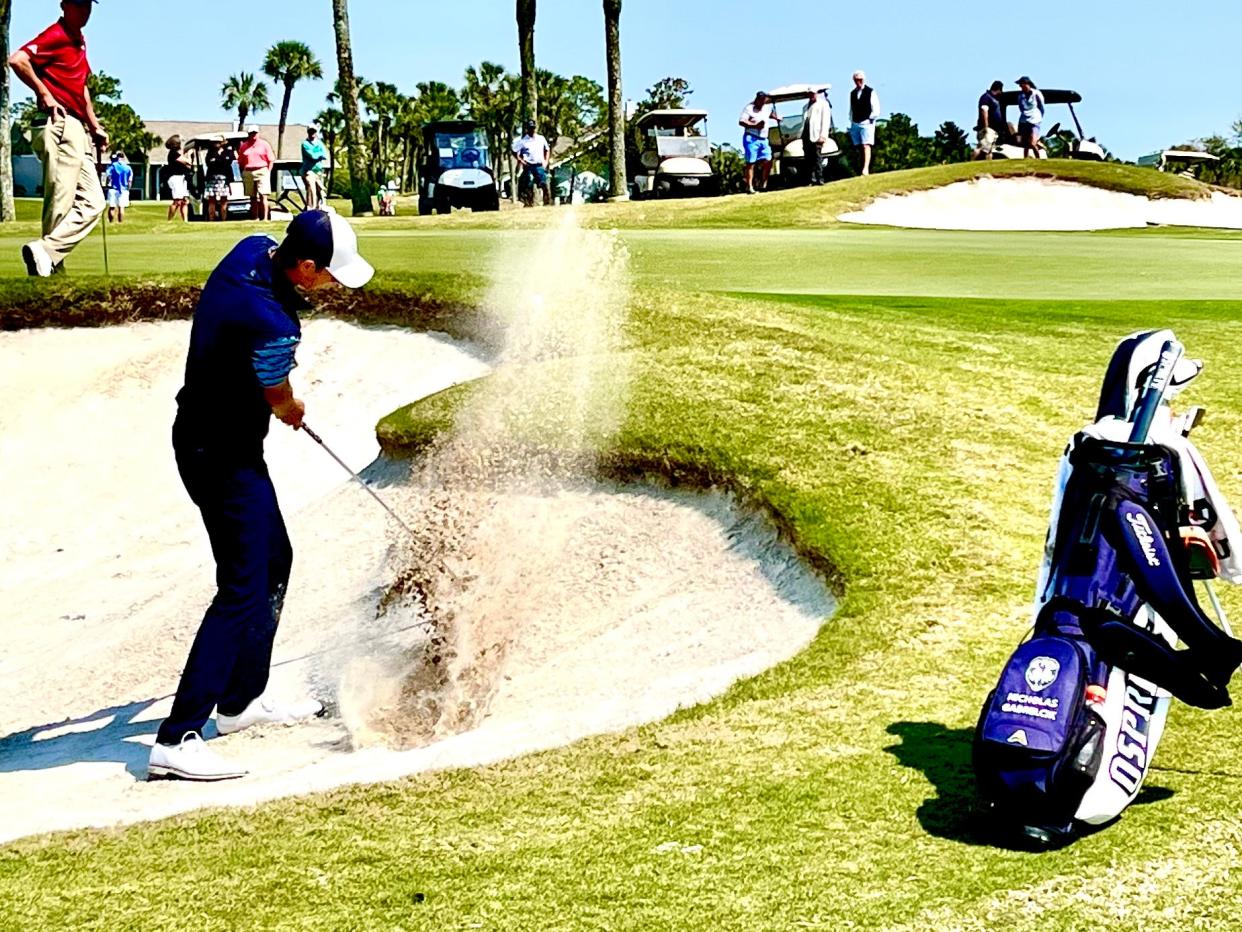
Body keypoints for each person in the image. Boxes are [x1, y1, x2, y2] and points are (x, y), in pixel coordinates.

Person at [148, 210, 376, 782]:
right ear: (304, 267)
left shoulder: (251, 248)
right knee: (243, 588)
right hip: (218, 455)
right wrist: (291, 408)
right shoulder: (274, 323)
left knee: (276, 559)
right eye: (328, 275)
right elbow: (277, 393)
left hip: (215, 442)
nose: (331, 285)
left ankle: (241, 702)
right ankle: (177, 738)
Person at [9, 0, 108, 277]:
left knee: (94, 202)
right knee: (61, 201)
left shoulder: (78, 40)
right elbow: (18, 60)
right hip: (61, 124)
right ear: (64, 5)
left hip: (78, 127)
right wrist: (44, 93)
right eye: (78, 4)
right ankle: (50, 267)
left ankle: (46, 253)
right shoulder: (57, 35)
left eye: (88, 5)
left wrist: (95, 125)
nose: (84, 10)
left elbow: (81, 88)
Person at [738, 90, 777, 194]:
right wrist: (754, 125)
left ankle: (763, 184)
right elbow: (741, 121)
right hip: (752, 138)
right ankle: (749, 186)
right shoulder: (749, 108)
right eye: (761, 100)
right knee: (751, 163)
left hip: (764, 138)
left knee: (768, 160)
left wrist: (776, 117)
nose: (762, 103)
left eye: (764, 101)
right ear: (757, 99)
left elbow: (770, 114)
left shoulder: (766, 108)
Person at [511, 119, 551, 207]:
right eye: (530, 128)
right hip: (528, 166)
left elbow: (547, 150)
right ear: (527, 129)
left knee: (544, 184)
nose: (532, 130)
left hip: (539, 165)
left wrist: (546, 161)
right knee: (528, 185)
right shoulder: (523, 141)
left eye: (533, 128)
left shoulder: (541, 138)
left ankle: (547, 202)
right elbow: (514, 151)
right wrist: (521, 160)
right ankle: (529, 203)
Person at [238, 125, 275, 220]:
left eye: (255, 133)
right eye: (251, 133)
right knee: (252, 197)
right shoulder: (244, 146)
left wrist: (268, 172)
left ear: (258, 133)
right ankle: (255, 218)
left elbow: (271, 160)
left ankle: (265, 218)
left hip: (262, 171)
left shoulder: (264, 144)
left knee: (263, 195)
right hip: (248, 172)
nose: (253, 135)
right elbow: (240, 161)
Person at [849, 71, 881, 176]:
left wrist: (870, 118)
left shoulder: (870, 92)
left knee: (866, 145)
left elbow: (876, 108)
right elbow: (851, 109)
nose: (858, 82)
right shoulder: (852, 93)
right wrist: (851, 120)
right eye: (856, 80)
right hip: (855, 123)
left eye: (860, 80)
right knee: (858, 147)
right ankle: (860, 168)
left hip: (866, 123)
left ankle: (865, 169)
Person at [802, 88, 831, 187]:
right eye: (810, 94)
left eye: (813, 93)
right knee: (808, 158)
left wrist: (823, 135)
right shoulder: (805, 107)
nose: (812, 95)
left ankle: (820, 179)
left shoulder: (823, 104)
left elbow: (826, 120)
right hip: (806, 135)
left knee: (817, 157)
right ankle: (811, 179)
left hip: (817, 134)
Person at [204, 134, 236, 222]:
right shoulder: (210, 153)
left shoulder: (228, 152)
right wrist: (220, 160)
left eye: (218, 142)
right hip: (212, 178)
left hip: (224, 179)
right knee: (211, 200)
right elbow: (209, 163)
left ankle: (224, 219)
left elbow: (229, 161)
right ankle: (211, 219)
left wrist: (219, 160)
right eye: (214, 142)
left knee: (224, 200)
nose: (216, 144)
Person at [162, 135, 192, 222]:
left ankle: (185, 221)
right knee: (177, 201)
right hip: (175, 178)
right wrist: (189, 155)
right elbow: (188, 162)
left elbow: (188, 166)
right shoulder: (173, 154)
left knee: (185, 200)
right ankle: (169, 220)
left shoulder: (178, 154)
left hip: (182, 178)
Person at [973, 80, 1004, 160]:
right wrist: (986, 127)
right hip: (988, 129)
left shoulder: (994, 99)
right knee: (982, 149)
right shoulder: (986, 97)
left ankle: (987, 166)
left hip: (994, 130)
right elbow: (984, 112)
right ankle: (971, 162)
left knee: (989, 150)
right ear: (999, 89)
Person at [1016, 76, 1045, 159]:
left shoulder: (1036, 94)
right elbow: (1021, 108)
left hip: (1035, 120)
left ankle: (1038, 159)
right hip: (1024, 120)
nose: (1021, 87)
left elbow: (1041, 107)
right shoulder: (1020, 96)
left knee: (1032, 143)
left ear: (1027, 84)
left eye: (1022, 84)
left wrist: (1039, 117)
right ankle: (1025, 159)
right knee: (1025, 144)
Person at [301, 124, 327, 211]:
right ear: (308, 132)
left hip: (318, 171)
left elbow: (325, 155)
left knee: (321, 191)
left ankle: (319, 208)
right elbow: (313, 156)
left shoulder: (320, 143)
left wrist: (319, 155)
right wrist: (319, 155)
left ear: (316, 132)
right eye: (310, 131)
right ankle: (310, 209)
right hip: (308, 171)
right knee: (311, 189)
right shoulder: (305, 144)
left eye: (314, 131)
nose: (312, 133)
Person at [104, 151, 131, 224]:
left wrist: (106, 185)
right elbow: (129, 181)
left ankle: (111, 222)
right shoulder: (128, 167)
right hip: (124, 189)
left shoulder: (113, 166)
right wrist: (128, 188)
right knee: (121, 207)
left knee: (112, 207)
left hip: (113, 188)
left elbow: (108, 176)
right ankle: (120, 222)